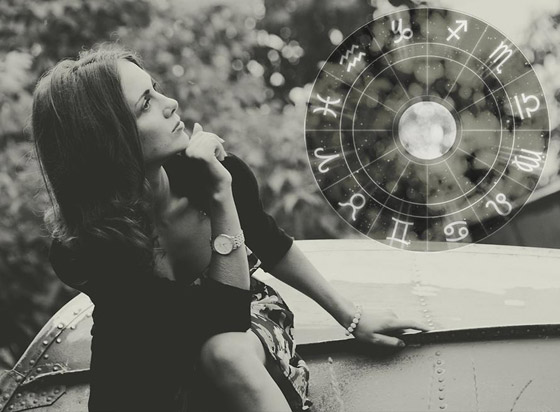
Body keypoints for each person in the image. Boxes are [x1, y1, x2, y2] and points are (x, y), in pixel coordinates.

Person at [31, 43, 428, 412]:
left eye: (157, 89)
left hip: (243, 323)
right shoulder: (83, 249)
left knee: (225, 353)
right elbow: (151, 344)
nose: (171, 104)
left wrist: (352, 318)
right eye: (146, 103)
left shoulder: (216, 175)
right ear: (107, 140)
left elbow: (260, 265)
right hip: (153, 346)